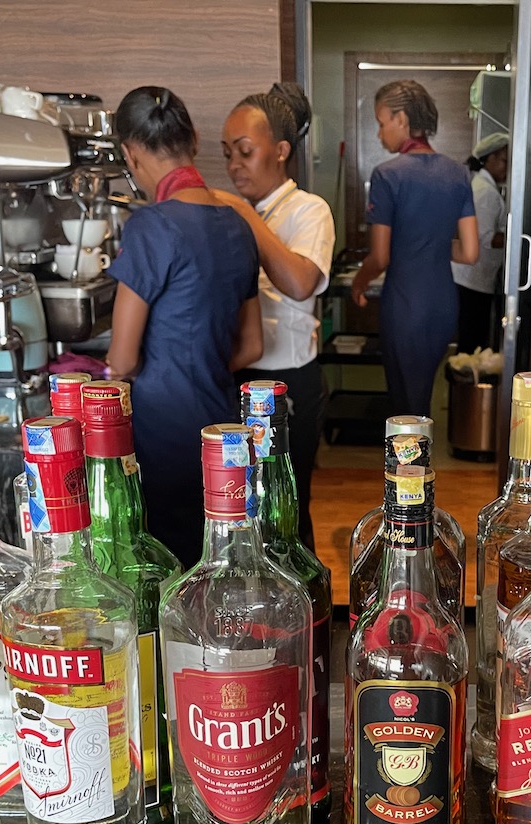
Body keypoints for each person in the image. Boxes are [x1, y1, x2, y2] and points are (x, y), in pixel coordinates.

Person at [106, 85, 263, 566]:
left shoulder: (151, 226)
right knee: (218, 563)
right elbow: (253, 346)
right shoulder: (238, 223)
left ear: (131, 154)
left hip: (162, 434)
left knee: (171, 569)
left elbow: (123, 359)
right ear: (193, 138)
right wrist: (200, 363)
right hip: (221, 426)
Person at [219, 82, 334, 548]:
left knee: (285, 508)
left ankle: (304, 612)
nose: (233, 165)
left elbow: (300, 282)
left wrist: (245, 217)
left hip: (288, 382)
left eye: (245, 152)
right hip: (238, 372)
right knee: (239, 508)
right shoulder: (237, 212)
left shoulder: (309, 210)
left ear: (281, 150)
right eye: (228, 153)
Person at [351, 80, 480, 418]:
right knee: (421, 401)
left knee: (404, 405)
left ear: (402, 120)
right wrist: (432, 242)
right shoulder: (459, 174)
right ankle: (418, 469)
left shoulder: (386, 176)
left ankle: (408, 470)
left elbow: (380, 257)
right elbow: (469, 252)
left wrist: (359, 282)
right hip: (442, 304)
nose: (380, 134)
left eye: (382, 124)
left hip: (405, 306)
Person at [452, 133, 509, 354]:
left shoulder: (483, 186)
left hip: (473, 278)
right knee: (472, 345)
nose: (507, 168)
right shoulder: (485, 192)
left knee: (471, 340)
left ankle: (466, 385)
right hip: (472, 281)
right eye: (504, 161)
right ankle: (466, 387)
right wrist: (517, 237)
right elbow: (486, 238)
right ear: (490, 159)